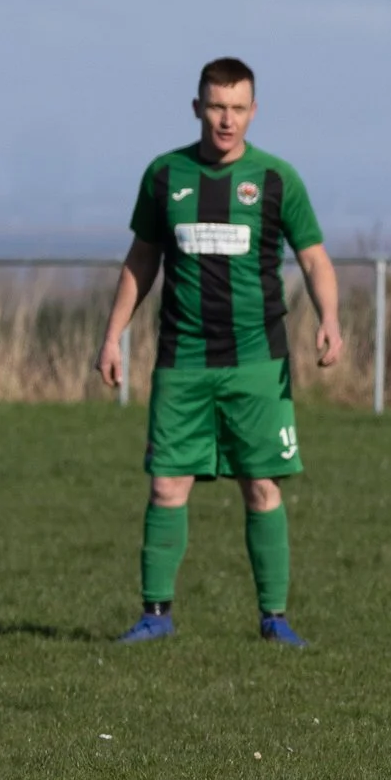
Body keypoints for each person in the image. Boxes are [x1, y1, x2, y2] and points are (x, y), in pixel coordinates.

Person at [95, 57, 342, 647]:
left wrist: (331, 317)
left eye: (237, 108)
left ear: (253, 111)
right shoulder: (165, 175)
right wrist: (112, 334)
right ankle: (156, 614)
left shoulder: (277, 180)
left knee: (262, 486)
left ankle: (274, 619)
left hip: (258, 364)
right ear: (197, 107)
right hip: (181, 362)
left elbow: (313, 258)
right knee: (166, 486)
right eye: (216, 106)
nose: (226, 119)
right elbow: (141, 260)